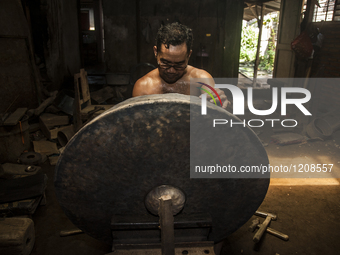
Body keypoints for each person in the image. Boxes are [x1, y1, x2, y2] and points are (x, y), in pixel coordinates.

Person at [132, 22, 229, 109]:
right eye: (165, 63)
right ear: (156, 52)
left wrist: (219, 103)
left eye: (179, 64)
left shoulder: (201, 79)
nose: (171, 71)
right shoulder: (143, 87)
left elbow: (214, 112)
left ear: (189, 55)